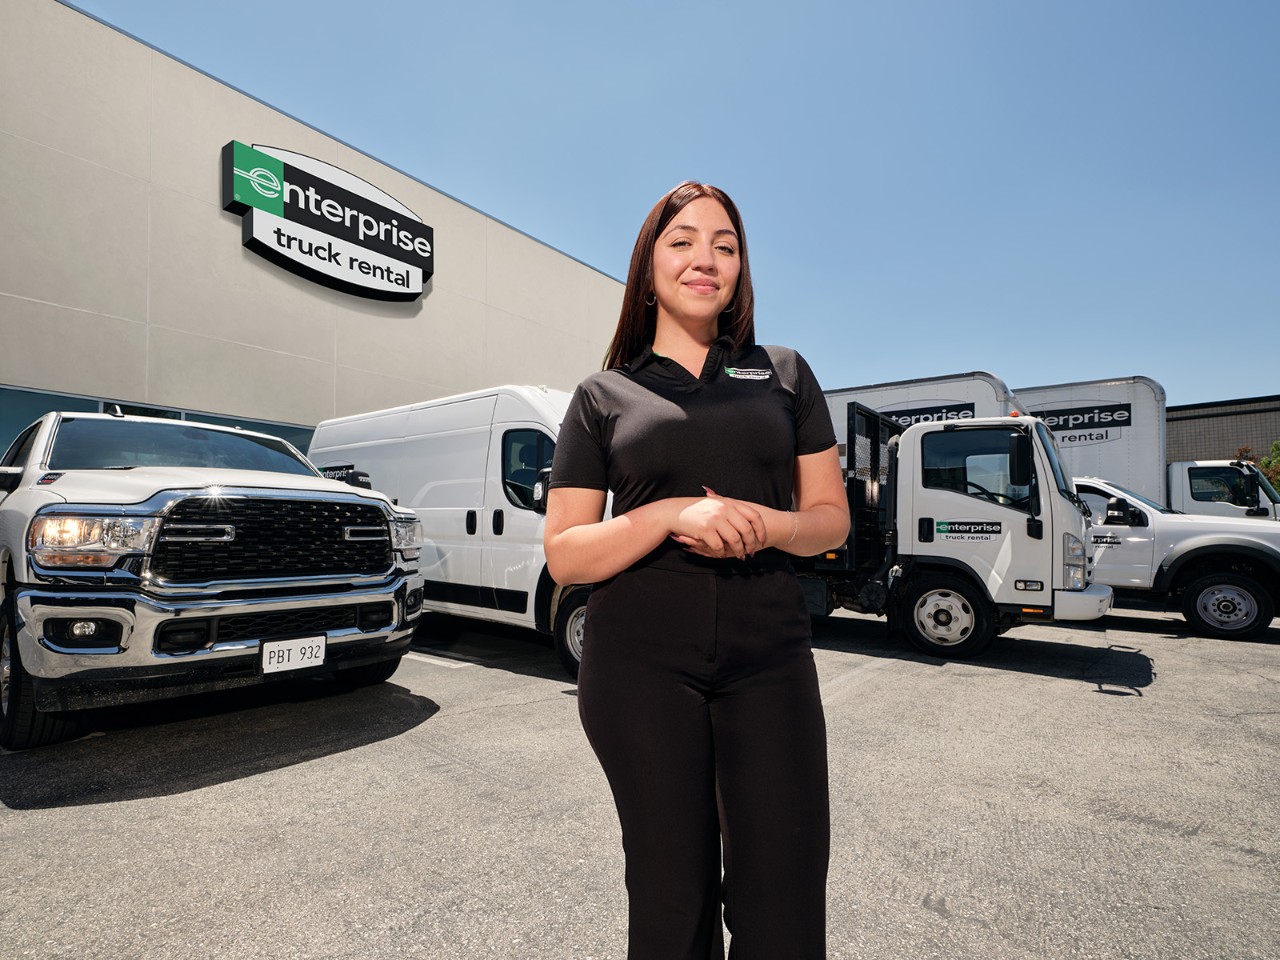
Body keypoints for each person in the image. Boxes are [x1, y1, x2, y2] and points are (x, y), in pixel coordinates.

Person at [544, 181, 850, 959]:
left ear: (741, 270)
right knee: (671, 900)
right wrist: (669, 514)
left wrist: (760, 524)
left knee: (783, 897)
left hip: (769, 658)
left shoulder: (784, 374)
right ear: (649, 266)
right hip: (639, 665)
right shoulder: (603, 395)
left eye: (725, 244)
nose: (704, 259)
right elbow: (566, 551)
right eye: (682, 242)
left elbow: (829, 522)